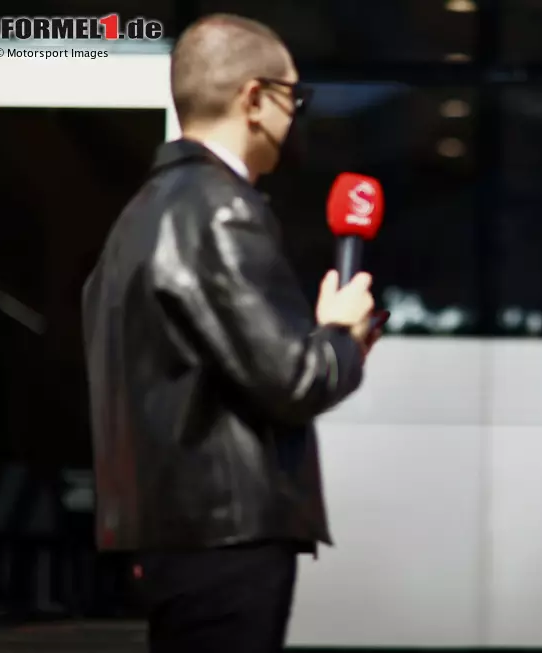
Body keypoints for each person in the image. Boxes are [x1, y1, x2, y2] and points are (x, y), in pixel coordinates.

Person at [80, 14, 378, 653]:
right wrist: (341, 336)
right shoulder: (218, 207)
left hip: (168, 533)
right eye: (290, 97)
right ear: (253, 98)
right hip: (228, 534)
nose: (293, 116)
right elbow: (294, 379)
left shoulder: (136, 218)